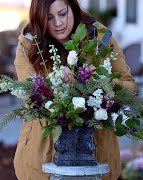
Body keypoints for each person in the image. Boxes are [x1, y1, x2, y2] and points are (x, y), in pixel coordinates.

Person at [13, 0, 136, 179]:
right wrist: (55, 82)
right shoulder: (29, 44)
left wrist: (100, 83)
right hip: (39, 159)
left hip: (98, 158)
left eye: (63, 14)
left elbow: (129, 85)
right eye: (49, 18)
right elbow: (29, 92)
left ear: (74, 7)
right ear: (39, 19)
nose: (58, 23)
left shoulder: (100, 37)